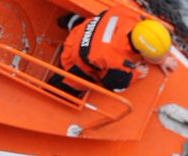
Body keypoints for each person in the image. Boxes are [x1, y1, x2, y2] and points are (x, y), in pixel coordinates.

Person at [49, 9, 177, 96]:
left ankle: (68, 20)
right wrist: (136, 73)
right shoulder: (117, 63)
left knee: (84, 24)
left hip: (81, 30)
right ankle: (54, 91)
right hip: (72, 59)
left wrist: (161, 59)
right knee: (67, 87)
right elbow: (114, 86)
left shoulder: (129, 13)